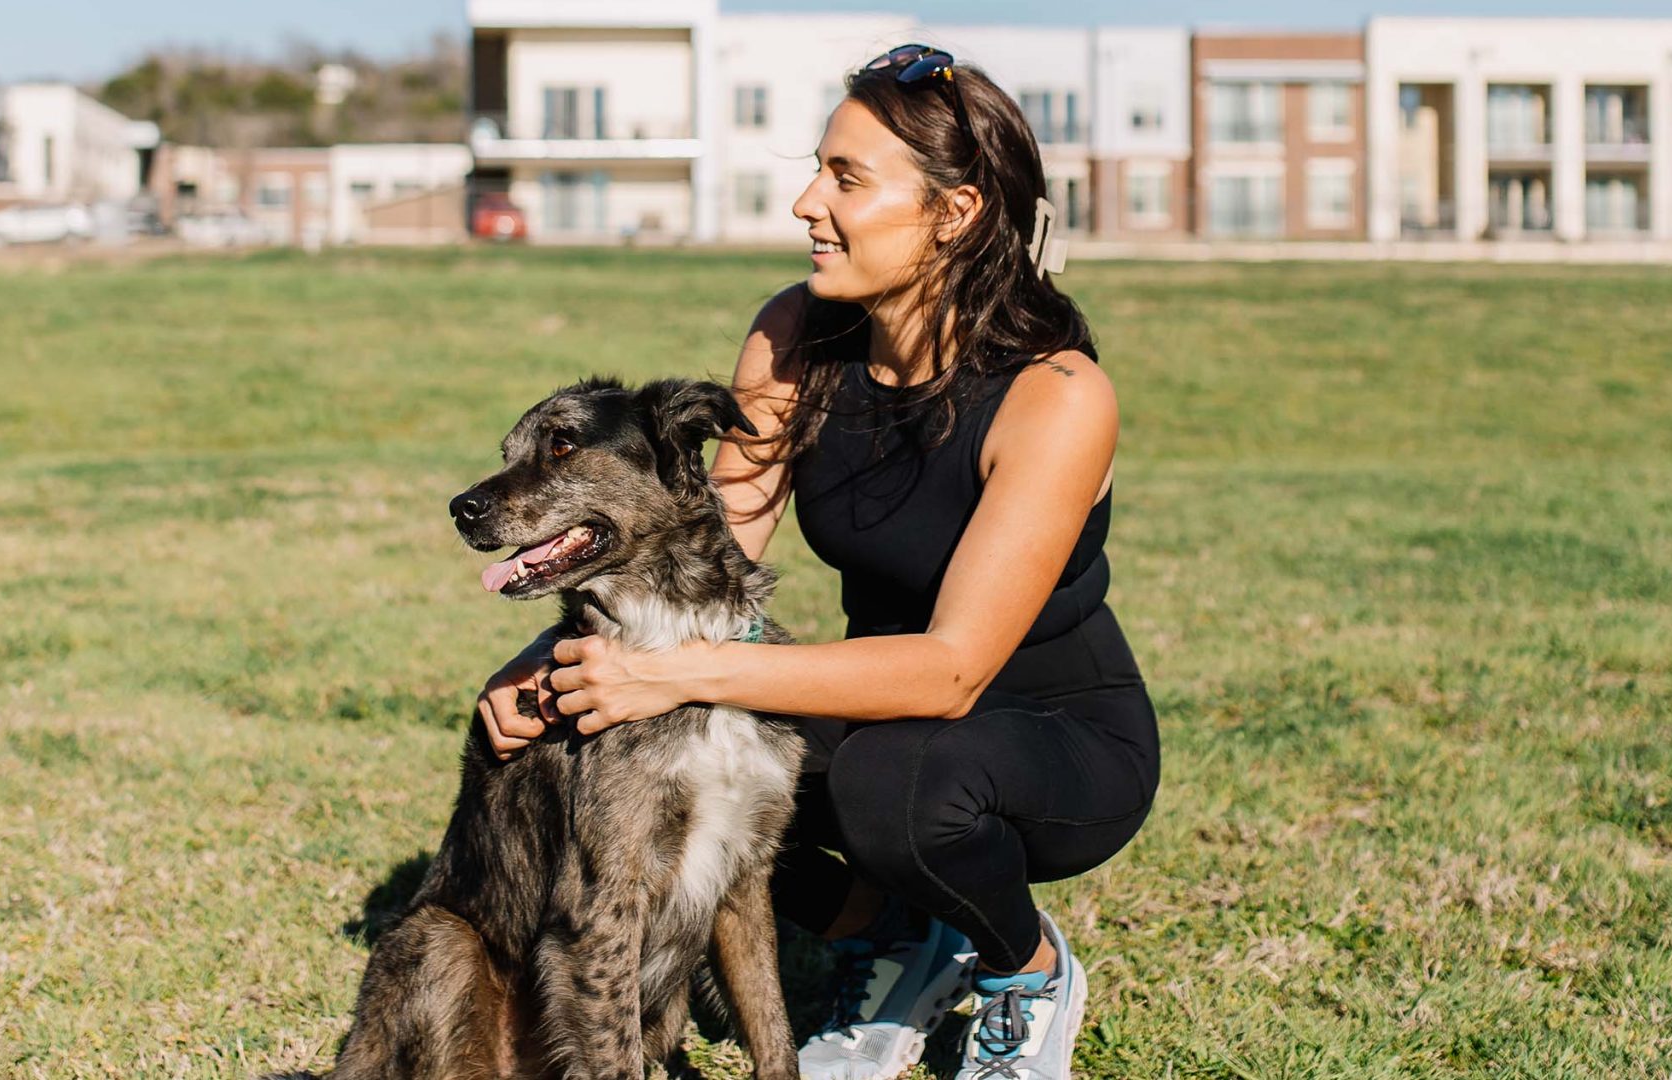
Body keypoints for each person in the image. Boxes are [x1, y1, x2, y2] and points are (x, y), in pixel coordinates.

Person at [476, 44, 1160, 1080]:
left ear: (954, 211)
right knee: (667, 748)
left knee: (882, 779)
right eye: (817, 168)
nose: (807, 202)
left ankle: (1022, 968)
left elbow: (950, 670)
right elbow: (705, 556)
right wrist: (548, 666)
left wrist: (675, 673)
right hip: (876, 699)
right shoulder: (796, 336)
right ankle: (892, 938)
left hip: (1056, 737)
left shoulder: (1056, 394)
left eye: (846, 179)